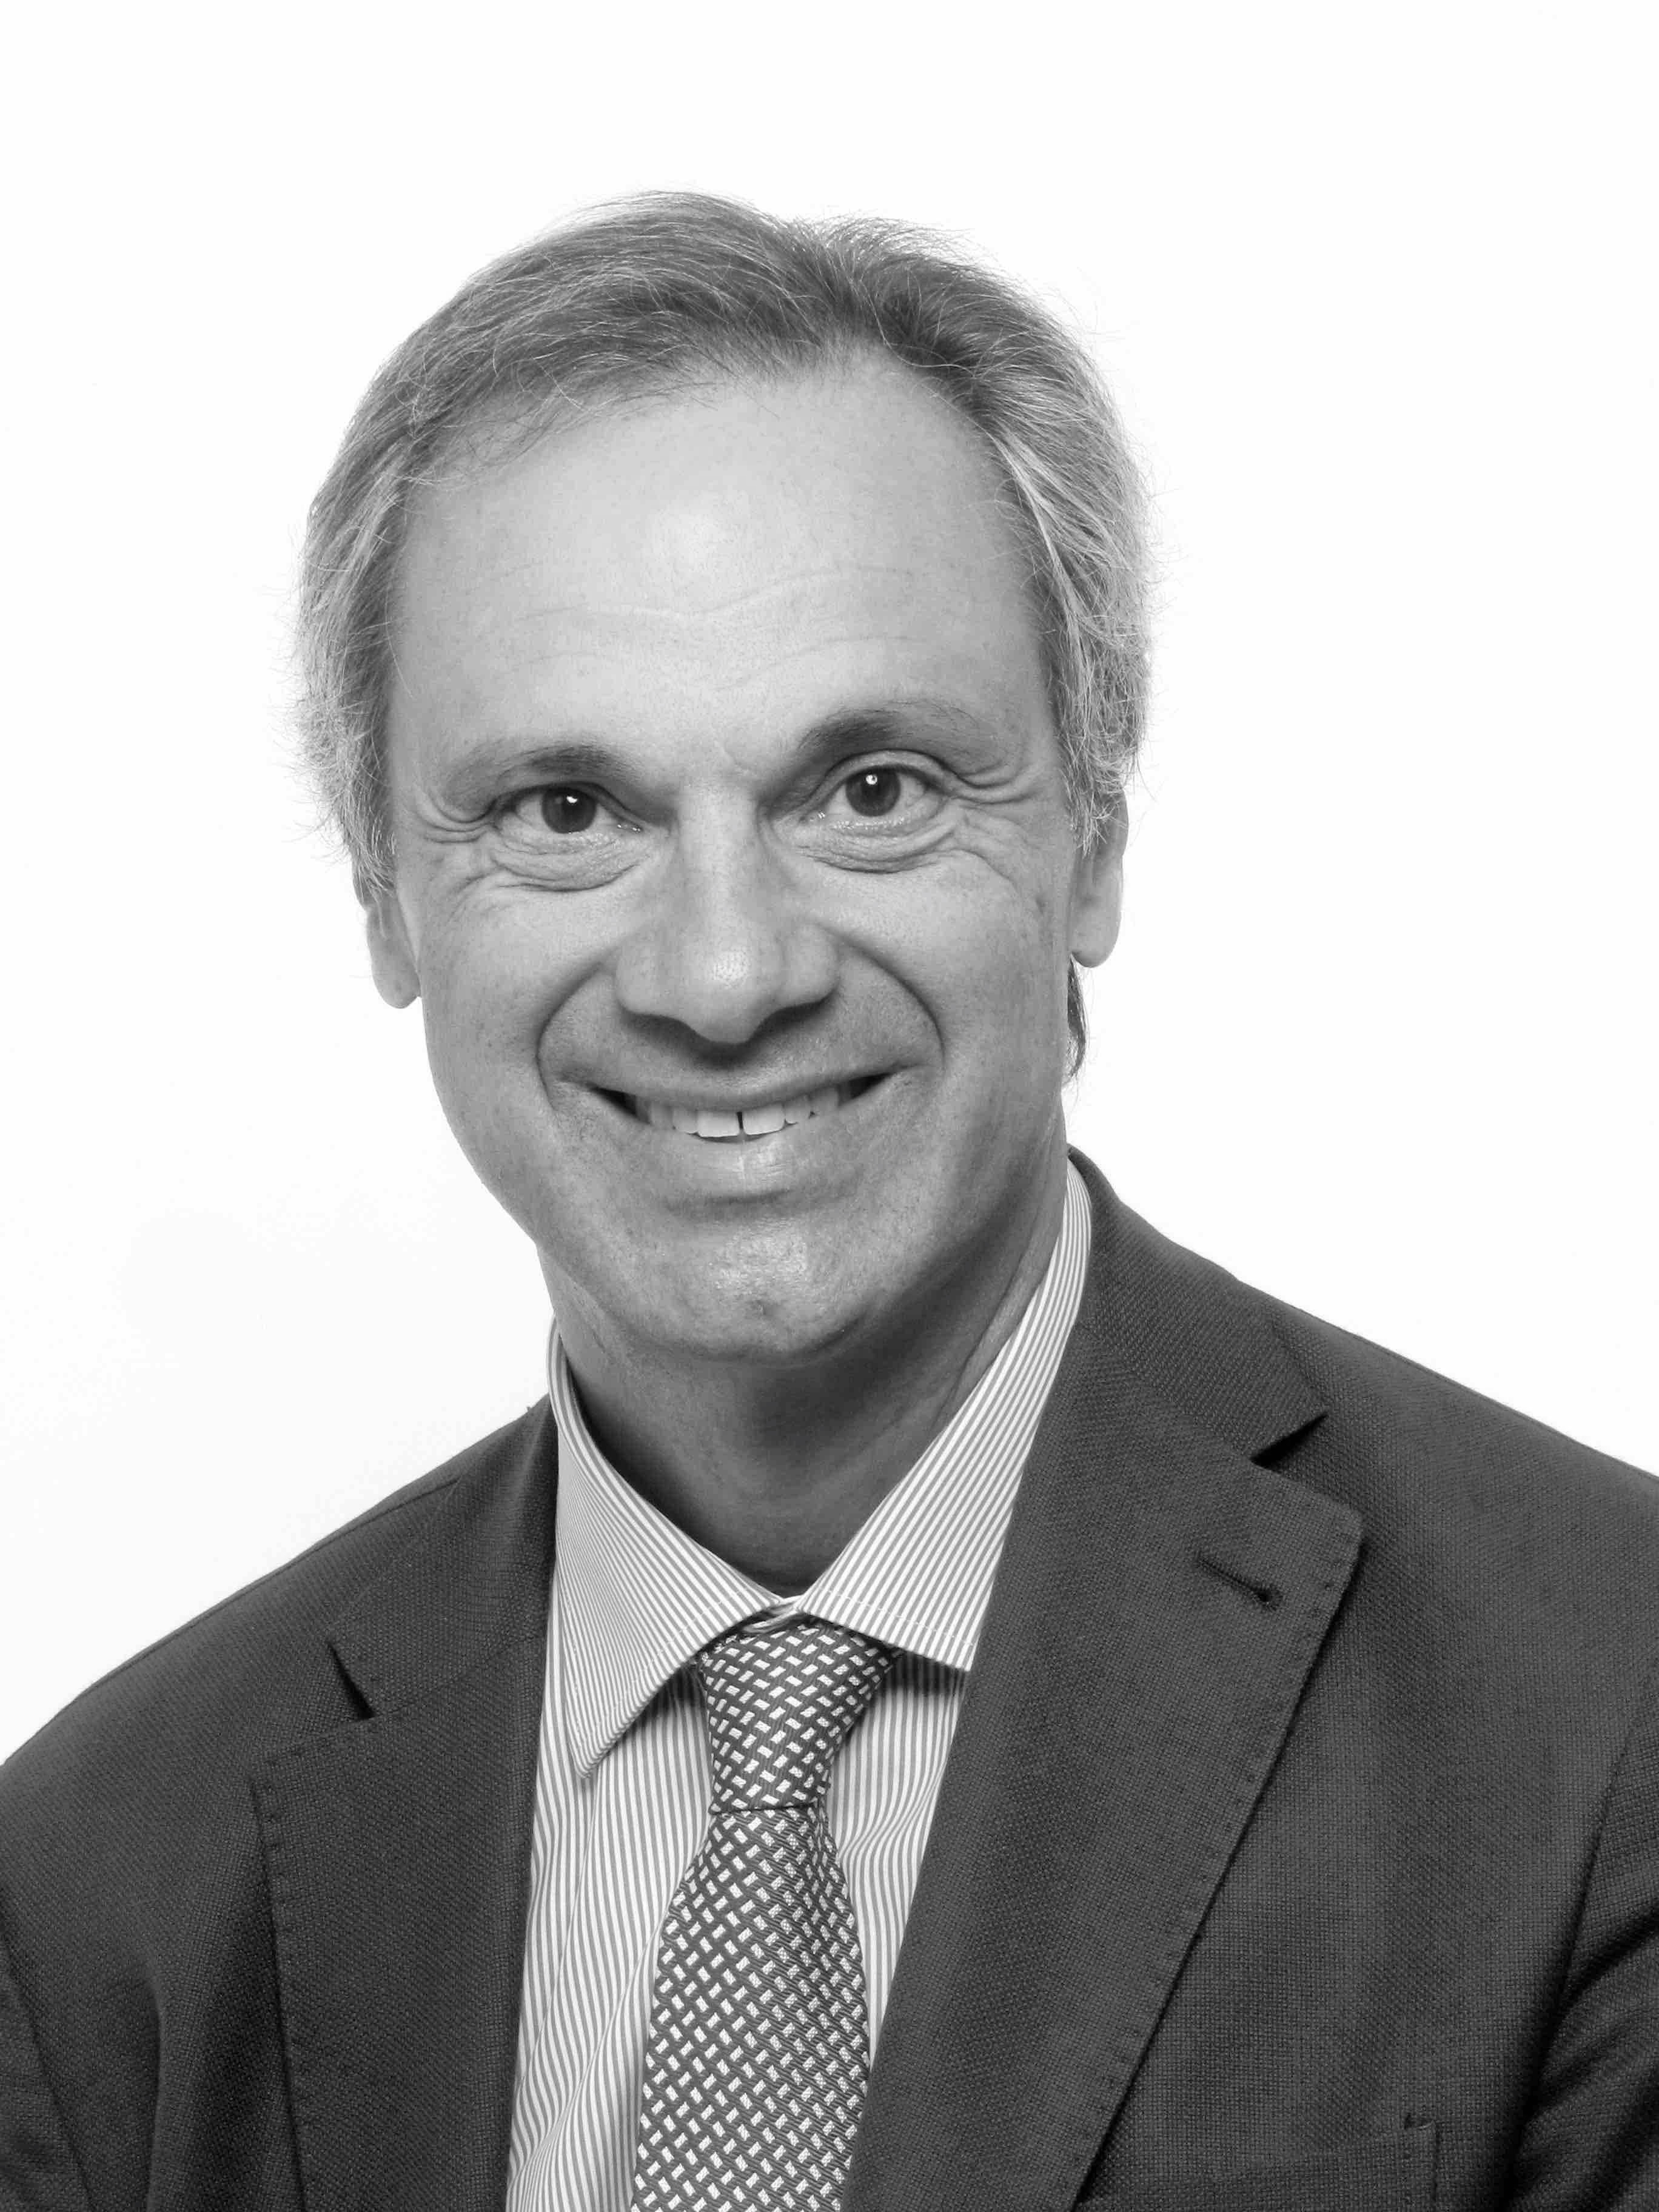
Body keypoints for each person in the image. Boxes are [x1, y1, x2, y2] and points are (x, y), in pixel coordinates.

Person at [1, 189, 1654, 2212]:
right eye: (565, 810)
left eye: (873, 789)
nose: (726, 974)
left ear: (1095, 837)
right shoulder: (100, 1886)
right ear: (387, 896)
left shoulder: (1606, 1718)